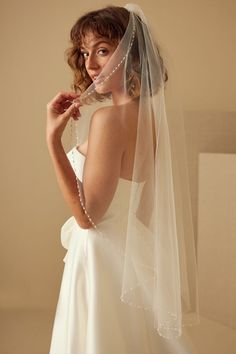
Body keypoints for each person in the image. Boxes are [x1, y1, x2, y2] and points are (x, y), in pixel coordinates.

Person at [47, 4, 199, 354]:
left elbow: (87, 217)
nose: (90, 64)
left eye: (102, 50)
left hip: (100, 253)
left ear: (131, 52)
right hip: (129, 252)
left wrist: (52, 142)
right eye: (85, 53)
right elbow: (141, 208)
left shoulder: (108, 120)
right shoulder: (149, 120)